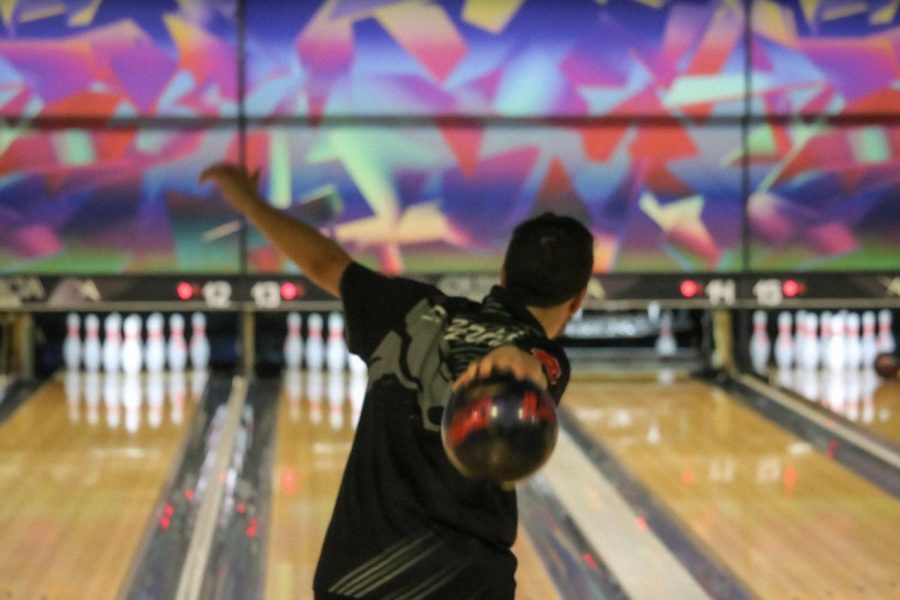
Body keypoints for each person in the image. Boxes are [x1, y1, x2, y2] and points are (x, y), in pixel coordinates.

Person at [200, 163, 595, 599]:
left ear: (502, 273)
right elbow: (534, 370)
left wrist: (250, 204)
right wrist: (518, 361)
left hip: (353, 581)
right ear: (577, 300)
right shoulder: (545, 357)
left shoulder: (407, 309)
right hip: (464, 588)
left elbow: (323, 262)